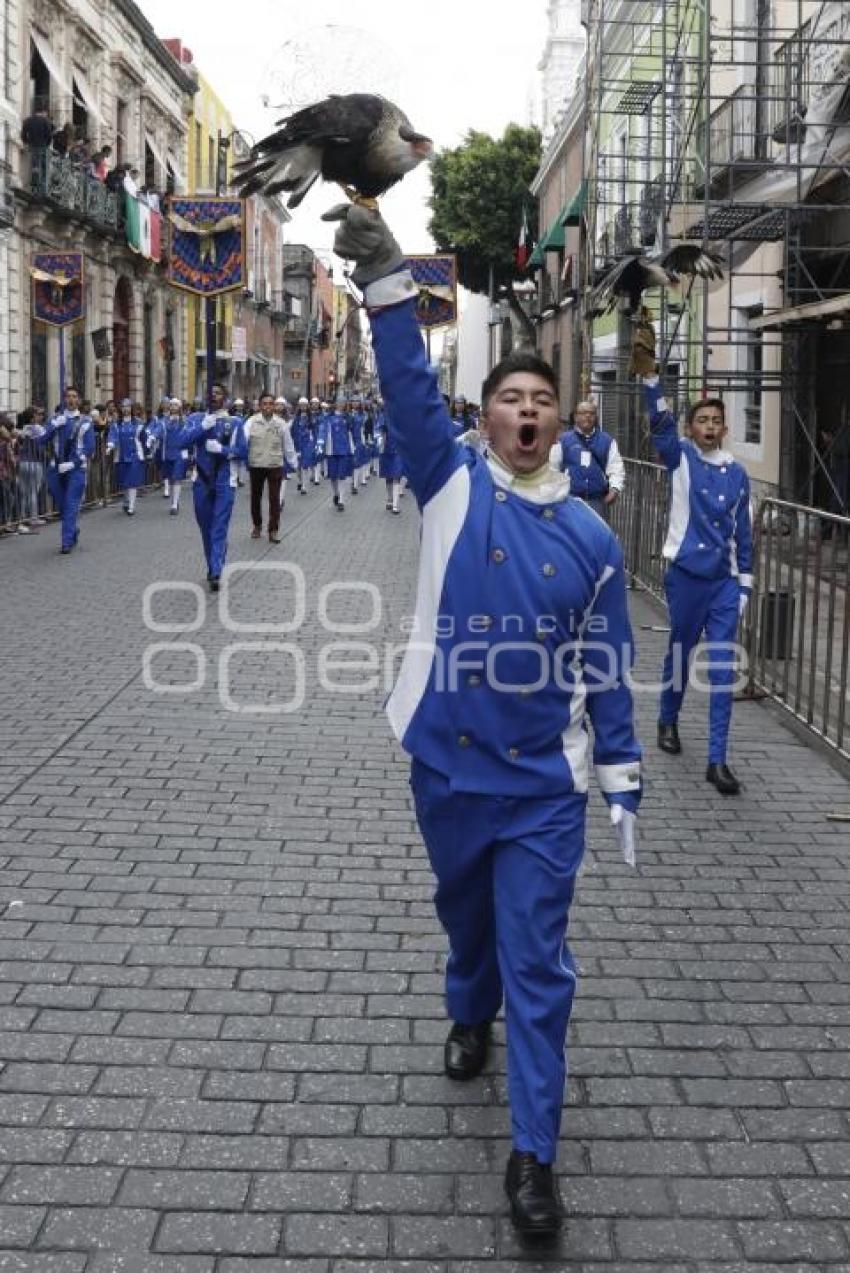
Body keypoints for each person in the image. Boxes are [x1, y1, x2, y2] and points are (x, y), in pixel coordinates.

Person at [325, 203, 642, 1238]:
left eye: (539, 399)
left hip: (544, 791)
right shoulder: (451, 485)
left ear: (557, 421)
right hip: (449, 773)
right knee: (469, 929)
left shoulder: (594, 539)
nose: (523, 411)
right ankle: (468, 1007)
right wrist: (386, 285)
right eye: (507, 396)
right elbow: (410, 393)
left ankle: (533, 1157)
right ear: (486, 417)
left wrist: (623, 772)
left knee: (539, 961)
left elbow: (606, 666)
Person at [631, 313, 752, 795]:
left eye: (715, 421)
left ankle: (717, 760)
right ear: (692, 427)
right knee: (681, 655)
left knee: (723, 668)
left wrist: (745, 586)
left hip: (723, 584)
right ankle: (667, 719)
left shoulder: (738, 472)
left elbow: (744, 534)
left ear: (723, 429)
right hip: (685, 577)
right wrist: (650, 380)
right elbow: (659, 421)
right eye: (701, 419)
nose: (709, 426)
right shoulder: (678, 456)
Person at [176, 383, 246, 591]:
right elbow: (180, 441)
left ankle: (216, 570)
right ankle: (212, 564)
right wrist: (203, 427)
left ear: (224, 398)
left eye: (217, 393)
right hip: (202, 480)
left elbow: (242, 452)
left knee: (219, 526)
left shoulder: (235, 423)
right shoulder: (196, 419)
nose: (213, 396)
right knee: (206, 527)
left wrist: (222, 450)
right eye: (210, 393)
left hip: (226, 480)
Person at [25, 386, 95, 553]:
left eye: (74, 396)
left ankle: (66, 543)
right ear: (64, 399)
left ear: (78, 400)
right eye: (68, 396)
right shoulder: (56, 418)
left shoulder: (86, 422)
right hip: (56, 469)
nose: (71, 399)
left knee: (71, 504)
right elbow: (40, 440)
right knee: (63, 506)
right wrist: (53, 426)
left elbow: (89, 448)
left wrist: (73, 464)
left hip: (76, 469)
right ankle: (73, 531)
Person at [551, 400, 625, 517]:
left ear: (595, 417)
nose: (588, 416)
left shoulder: (607, 441)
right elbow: (552, 468)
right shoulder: (563, 440)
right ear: (575, 417)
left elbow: (616, 468)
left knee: (596, 534)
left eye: (591, 413)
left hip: (597, 502)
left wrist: (615, 489)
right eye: (583, 413)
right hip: (569, 501)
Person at [243, 392, 297, 542]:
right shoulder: (251, 422)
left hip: (275, 464)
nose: (267, 407)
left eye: (270, 404)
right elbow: (243, 439)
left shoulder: (281, 424)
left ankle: (273, 530)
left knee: (275, 499)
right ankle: (257, 525)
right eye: (264, 404)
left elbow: (288, 445)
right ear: (260, 406)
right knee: (256, 497)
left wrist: (293, 462)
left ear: (274, 406)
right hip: (257, 464)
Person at [106, 399, 146, 515]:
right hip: (121, 455)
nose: (125, 409)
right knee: (124, 480)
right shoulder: (116, 424)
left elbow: (143, 438)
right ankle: (126, 500)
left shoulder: (138, 423)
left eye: (128, 406)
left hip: (135, 455)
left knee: (132, 481)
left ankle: (131, 506)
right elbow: (112, 437)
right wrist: (110, 446)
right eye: (123, 407)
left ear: (131, 408)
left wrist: (148, 448)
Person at [151, 398, 190, 515]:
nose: (173, 407)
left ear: (179, 407)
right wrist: (153, 436)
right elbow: (158, 430)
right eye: (171, 405)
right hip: (167, 453)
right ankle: (174, 500)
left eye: (175, 405)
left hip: (180, 453)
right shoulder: (164, 421)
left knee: (177, 478)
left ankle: (174, 505)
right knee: (171, 479)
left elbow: (190, 434)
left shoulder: (185, 421)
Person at [316, 396, 355, 511]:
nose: (341, 404)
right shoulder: (328, 417)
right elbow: (322, 431)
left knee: (341, 475)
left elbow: (353, 433)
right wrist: (320, 444)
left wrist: (355, 447)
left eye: (343, 402)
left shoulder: (348, 417)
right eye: (339, 402)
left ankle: (342, 500)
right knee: (333, 476)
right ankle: (336, 494)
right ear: (335, 404)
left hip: (344, 450)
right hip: (331, 450)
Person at [375, 399, 403, 514]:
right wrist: (380, 441)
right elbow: (379, 430)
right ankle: (390, 499)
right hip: (387, 449)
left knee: (397, 475)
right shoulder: (384, 415)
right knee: (388, 476)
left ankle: (395, 505)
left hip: (400, 450)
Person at [291, 396, 317, 492]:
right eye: (301, 405)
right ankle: (300, 481)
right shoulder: (296, 418)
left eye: (305, 405)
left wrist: (314, 442)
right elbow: (293, 431)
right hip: (297, 443)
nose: (303, 407)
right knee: (298, 466)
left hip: (307, 444)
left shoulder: (311, 418)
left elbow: (314, 430)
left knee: (305, 465)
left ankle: (304, 486)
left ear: (307, 406)